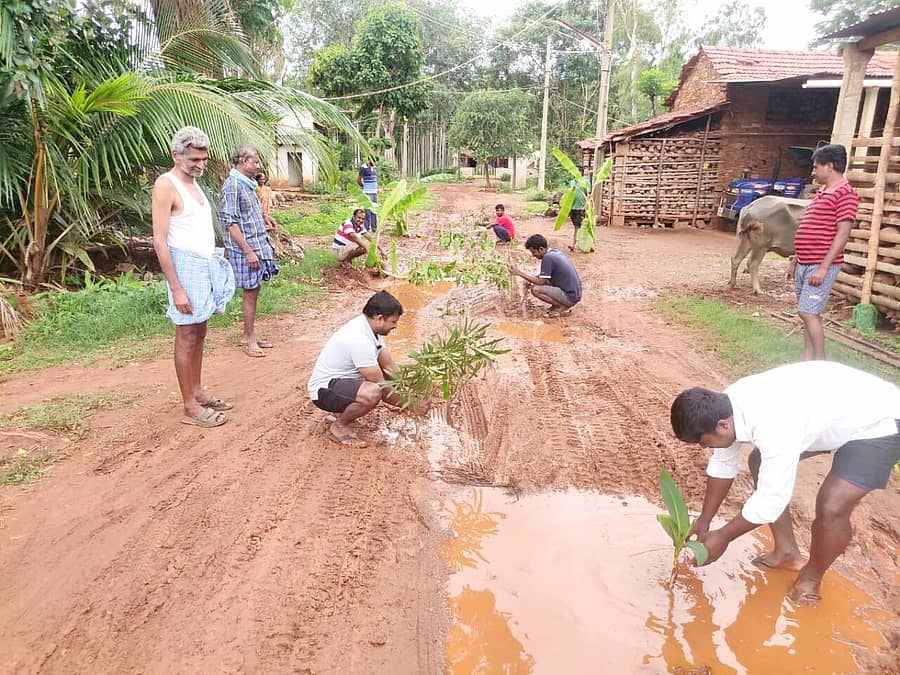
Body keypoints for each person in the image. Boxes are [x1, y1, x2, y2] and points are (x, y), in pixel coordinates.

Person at [670, 361, 900, 606]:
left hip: (879, 420)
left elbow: (772, 497)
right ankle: (787, 552)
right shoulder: (726, 406)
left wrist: (724, 536)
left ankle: (811, 578)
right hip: (832, 411)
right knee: (760, 461)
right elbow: (723, 464)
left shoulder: (773, 423)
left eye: (703, 442)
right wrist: (704, 521)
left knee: (833, 506)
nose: (704, 448)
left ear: (723, 425)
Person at [151, 126, 236, 428]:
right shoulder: (166, 185)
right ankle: (189, 407)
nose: (200, 165)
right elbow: (160, 241)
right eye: (194, 159)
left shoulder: (196, 184)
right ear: (176, 155)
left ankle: (197, 392)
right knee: (186, 335)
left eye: (204, 159)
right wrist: (176, 288)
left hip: (203, 266)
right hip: (184, 269)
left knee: (199, 332)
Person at [785, 144, 859, 360]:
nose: (813, 172)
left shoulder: (846, 193)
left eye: (816, 167)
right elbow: (810, 227)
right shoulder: (823, 192)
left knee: (808, 312)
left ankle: (820, 363)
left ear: (830, 166)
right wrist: (795, 261)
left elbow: (843, 233)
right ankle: (808, 359)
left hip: (820, 265)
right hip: (805, 262)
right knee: (806, 313)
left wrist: (824, 267)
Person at [307, 291, 404, 447]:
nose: (395, 326)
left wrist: (411, 387)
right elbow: (383, 387)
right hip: (323, 392)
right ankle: (339, 426)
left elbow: (389, 366)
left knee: (374, 387)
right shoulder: (360, 339)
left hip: (337, 385)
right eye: (393, 322)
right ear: (379, 318)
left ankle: (341, 413)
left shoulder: (371, 329)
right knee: (372, 392)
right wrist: (410, 404)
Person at [220, 145, 279, 358]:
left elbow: (245, 214)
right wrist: (248, 251)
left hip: (256, 243)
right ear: (244, 161)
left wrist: (264, 218)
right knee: (250, 291)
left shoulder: (247, 184)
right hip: (247, 248)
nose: (258, 166)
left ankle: (250, 334)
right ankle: (248, 338)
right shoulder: (233, 185)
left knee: (254, 290)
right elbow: (230, 222)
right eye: (255, 162)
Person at [508, 234, 582, 317]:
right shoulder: (554, 252)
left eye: (534, 252)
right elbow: (545, 276)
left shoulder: (548, 258)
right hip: (575, 294)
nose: (533, 255)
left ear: (541, 249)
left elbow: (541, 281)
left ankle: (560, 306)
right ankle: (558, 304)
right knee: (538, 283)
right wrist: (532, 279)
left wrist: (519, 273)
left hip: (570, 297)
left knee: (535, 289)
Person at [357, 158, 378, 232]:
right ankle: (367, 228)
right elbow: (358, 180)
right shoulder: (363, 168)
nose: (374, 163)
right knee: (367, 211)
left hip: (374, 192)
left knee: (374, 210)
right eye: (373, 161)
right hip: (367, 192)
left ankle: (374, 228)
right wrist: (364, 186)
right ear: (369, 160)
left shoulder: (374, 167)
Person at [568, 179, 587, 252]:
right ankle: (577, 244)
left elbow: (588, 194)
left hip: (581, 208)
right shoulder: (572, 182)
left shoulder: (585, 182)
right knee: (576, 227)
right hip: (573, 208)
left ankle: (574, 244)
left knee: (579, 227)